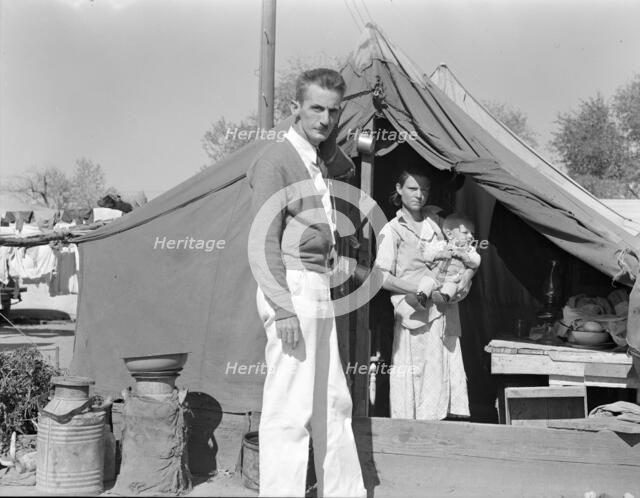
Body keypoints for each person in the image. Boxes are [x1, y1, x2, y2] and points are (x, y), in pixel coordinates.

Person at [247, 68, 366, 498]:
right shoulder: (276, 159)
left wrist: (326, 140)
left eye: (333, 112)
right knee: (290, 405)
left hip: (317, 286)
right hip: (291, 286)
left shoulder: (316, 157)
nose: (325, 119)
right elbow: (262, 241)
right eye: (315, 108)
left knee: (333, 400)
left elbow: (344, 164)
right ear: (293, 107)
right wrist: (282, 308)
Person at [374, 167, 475, 420]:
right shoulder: (392, 229)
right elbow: (381, 276)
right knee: (414, 378)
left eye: (424, 189)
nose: (419, 195)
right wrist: (420, 290)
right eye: (412, 188)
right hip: (414, 315)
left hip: (443, 312)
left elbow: (465, 256)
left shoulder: (439, 224)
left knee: (442, 377)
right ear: (399, 190)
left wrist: (464, 280)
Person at [426, 213, 481, 303]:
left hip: (453, 278)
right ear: (449, 234)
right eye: (465, 232)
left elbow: (476, 262)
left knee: (451, 286)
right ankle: (421, 296)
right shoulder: (442, 245)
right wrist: (437, 255)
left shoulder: (469, 250)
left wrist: (465, 257)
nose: (471, 236)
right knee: (427, 281)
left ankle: (443, 297)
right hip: (437, 275)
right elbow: (429, 255)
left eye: (472, 233)